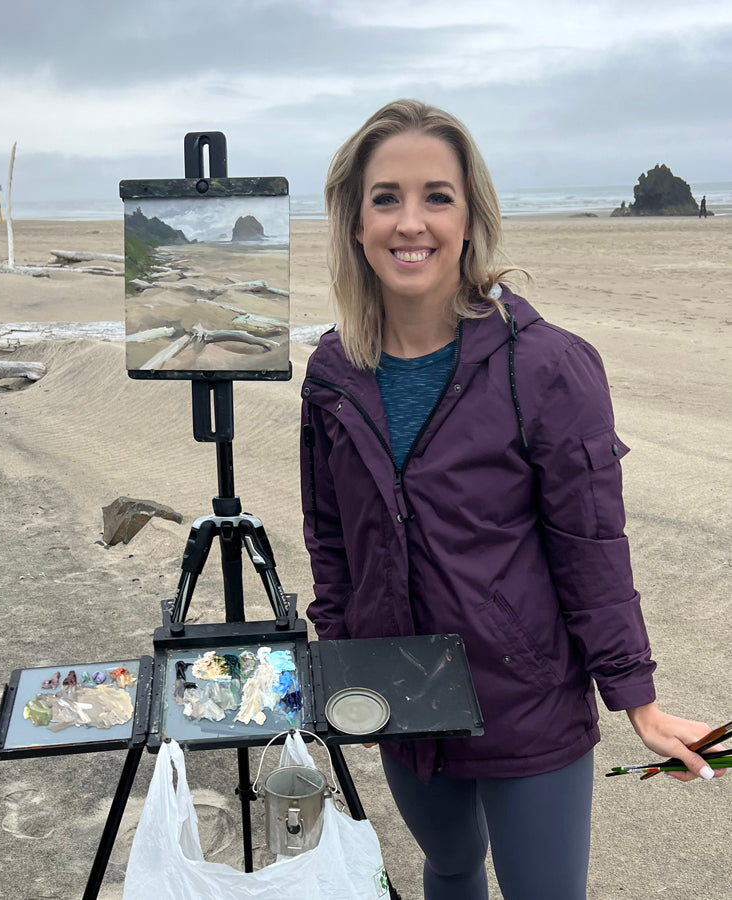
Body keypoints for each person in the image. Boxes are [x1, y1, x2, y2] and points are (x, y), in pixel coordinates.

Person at [299, 99, 720, 900]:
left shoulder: (549, 366)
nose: (409, 221)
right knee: (453, 864)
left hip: (524, 700)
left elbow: (591, 545)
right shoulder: (333, 375)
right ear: (355, 222)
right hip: (400, 694)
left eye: (437, 196)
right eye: (386, 197)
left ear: (471, 217)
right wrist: (347, 660)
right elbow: (332, 536)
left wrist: (638, 700)